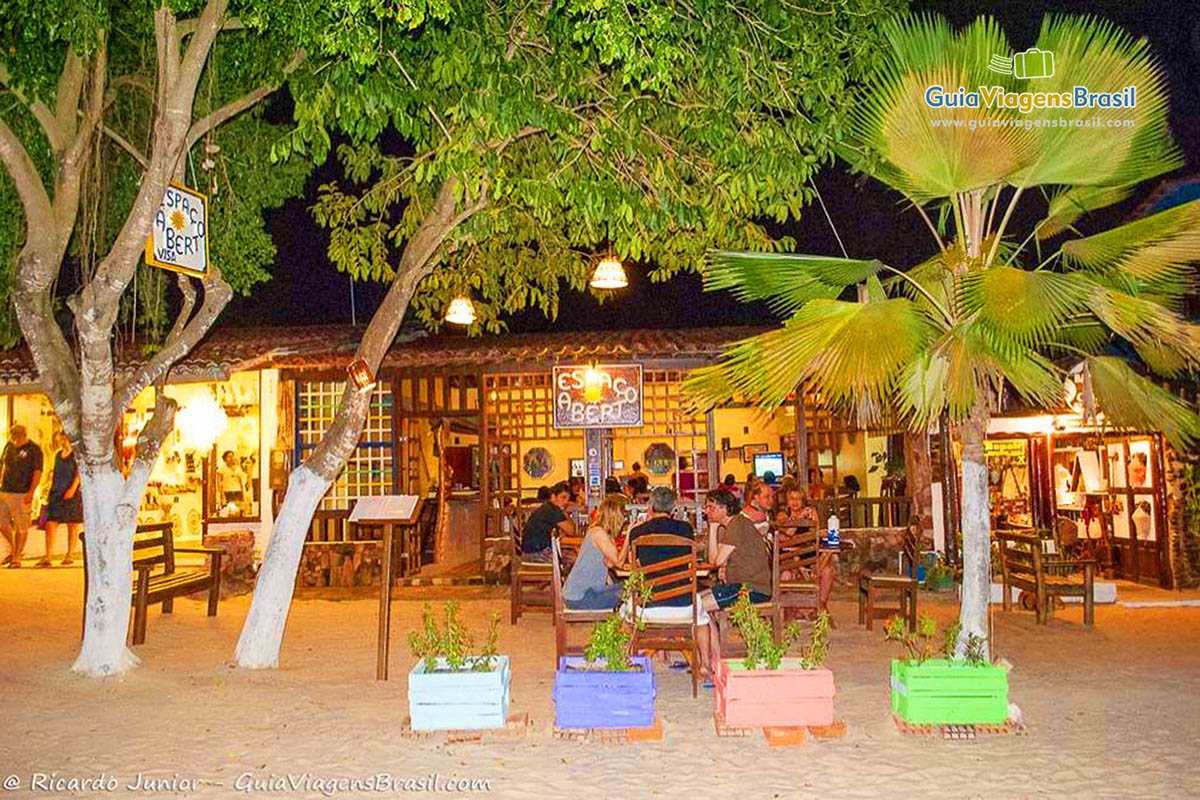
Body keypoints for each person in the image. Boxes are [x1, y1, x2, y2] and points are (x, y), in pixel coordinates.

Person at [700, 487, 772, 676]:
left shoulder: (737, 525)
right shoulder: (735, 524)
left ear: (725, 508)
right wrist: (714, 528)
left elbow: (716, 561)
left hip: (749, 588)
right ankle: (714, 659)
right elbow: (715, 559)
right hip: (743, 584)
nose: (707, 511)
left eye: (711, 507)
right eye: (706, 507)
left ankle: (713, 662)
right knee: (697, 601)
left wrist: (713, 529)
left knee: (697, 607)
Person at [562, 494, 630, 610]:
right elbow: (619, 563)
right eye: (624, 515)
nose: (625, 519)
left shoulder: (597, 531)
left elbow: (610, 563)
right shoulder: (600, 534)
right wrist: (629, 535)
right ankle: (625, 626)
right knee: (633, 591)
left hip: (579, 594)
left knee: (627, 587)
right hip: (581, 598)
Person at [0, 425, 43, 568]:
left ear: (23, 435)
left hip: (22, 492)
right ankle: (14, 549)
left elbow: (37, 472)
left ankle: (16, 557)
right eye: (12, 436)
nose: (14, 440)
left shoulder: (34, 449)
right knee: (2, 522)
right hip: (5, 491)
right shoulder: (8, 446)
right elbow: (2, 465)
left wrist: (31, 492)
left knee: (21, 526)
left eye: (16, 437)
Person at [38, 432, 82, 567]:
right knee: (51, 523)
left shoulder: (77, 455)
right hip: (56, 491)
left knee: (72, 524)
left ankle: (69, 554)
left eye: (65, 438)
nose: (63, 441)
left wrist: (73, 488)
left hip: (71, 492)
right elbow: (52, 472)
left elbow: (80, 473)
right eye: (62, 438)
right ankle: (48, 555)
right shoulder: (58, 455)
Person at [520, 481, 575, 562]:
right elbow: (571, 531)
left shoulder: (548, 507)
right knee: (575, 560)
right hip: (536, 553)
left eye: (567, 499)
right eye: (563, 497)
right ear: (553, 497)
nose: (566, 502)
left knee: (574, 556)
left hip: (531, 550)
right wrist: (565, 512)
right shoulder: (552, 510)